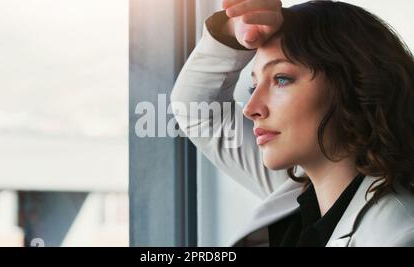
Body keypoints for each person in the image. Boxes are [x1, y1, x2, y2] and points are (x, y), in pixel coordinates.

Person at [171, 0, 414, 247]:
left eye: (282, 79)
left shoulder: (398, 236)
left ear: (356, 86)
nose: (251, 109)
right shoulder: (299, 186)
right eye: (253, 86)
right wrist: (238, 28)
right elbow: (195, 109)